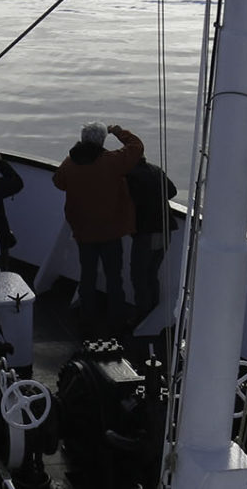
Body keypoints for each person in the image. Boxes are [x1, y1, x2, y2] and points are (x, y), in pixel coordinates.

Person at [52, 122, 144, 334]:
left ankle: (87, 318)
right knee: (114, 277)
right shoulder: (112, 162)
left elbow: (58, 182)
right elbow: (136, 148)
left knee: (87, 276)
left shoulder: (70, 163)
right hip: (111, 231)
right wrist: (119, 132)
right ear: (102, 140)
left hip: (83, 231)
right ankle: (117, 319)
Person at [126, 155, 178, 323]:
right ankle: (153, 313)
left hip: (146, 233)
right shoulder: (156, 170)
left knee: (139, 275)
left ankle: (143, 314)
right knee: (151, 273)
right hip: (165, 229)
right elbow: (172, 191)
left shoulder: (130, 176)